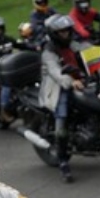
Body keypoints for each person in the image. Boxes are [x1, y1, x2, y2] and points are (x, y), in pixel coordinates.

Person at [39, 14, 87, 183]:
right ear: (54, 33)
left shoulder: (72, 43)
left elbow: (86, 50)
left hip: (80, 81)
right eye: (61, 32)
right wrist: (71, 81)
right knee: (62, 123)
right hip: (58, 88)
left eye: (67, 30)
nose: (65, 34)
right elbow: (55, 71)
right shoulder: (49, 51)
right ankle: (63, 162)